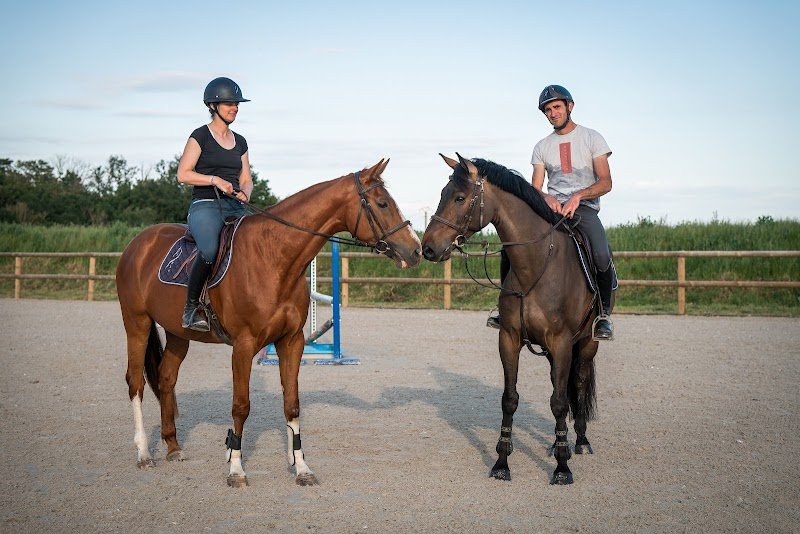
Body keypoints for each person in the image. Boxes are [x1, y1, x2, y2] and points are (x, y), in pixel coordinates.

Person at [487, 85, 615, 340]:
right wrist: (546, 197)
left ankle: (603, 315)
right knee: (511, 247)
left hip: (584, 210)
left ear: (570, 106)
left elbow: (605, 182)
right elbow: (536, 188)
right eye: (548, 109)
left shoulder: (592, 138)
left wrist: (578, 196)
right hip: (551, 210)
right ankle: (506, 308)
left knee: (601, 253)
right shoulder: (542, 146)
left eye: (557, 107)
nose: (553, 113)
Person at [177, 77, 253, 331]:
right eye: (230, 103)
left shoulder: (240, 141)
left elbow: (246, 178)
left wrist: (246, 193)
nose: (235, 108)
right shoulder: (200, 136)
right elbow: (183, 174)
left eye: (237, 104)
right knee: (209, 250)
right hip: (206, 204)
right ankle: (191, 308)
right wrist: (214, 180)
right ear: (214, 105)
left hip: (235, 206)